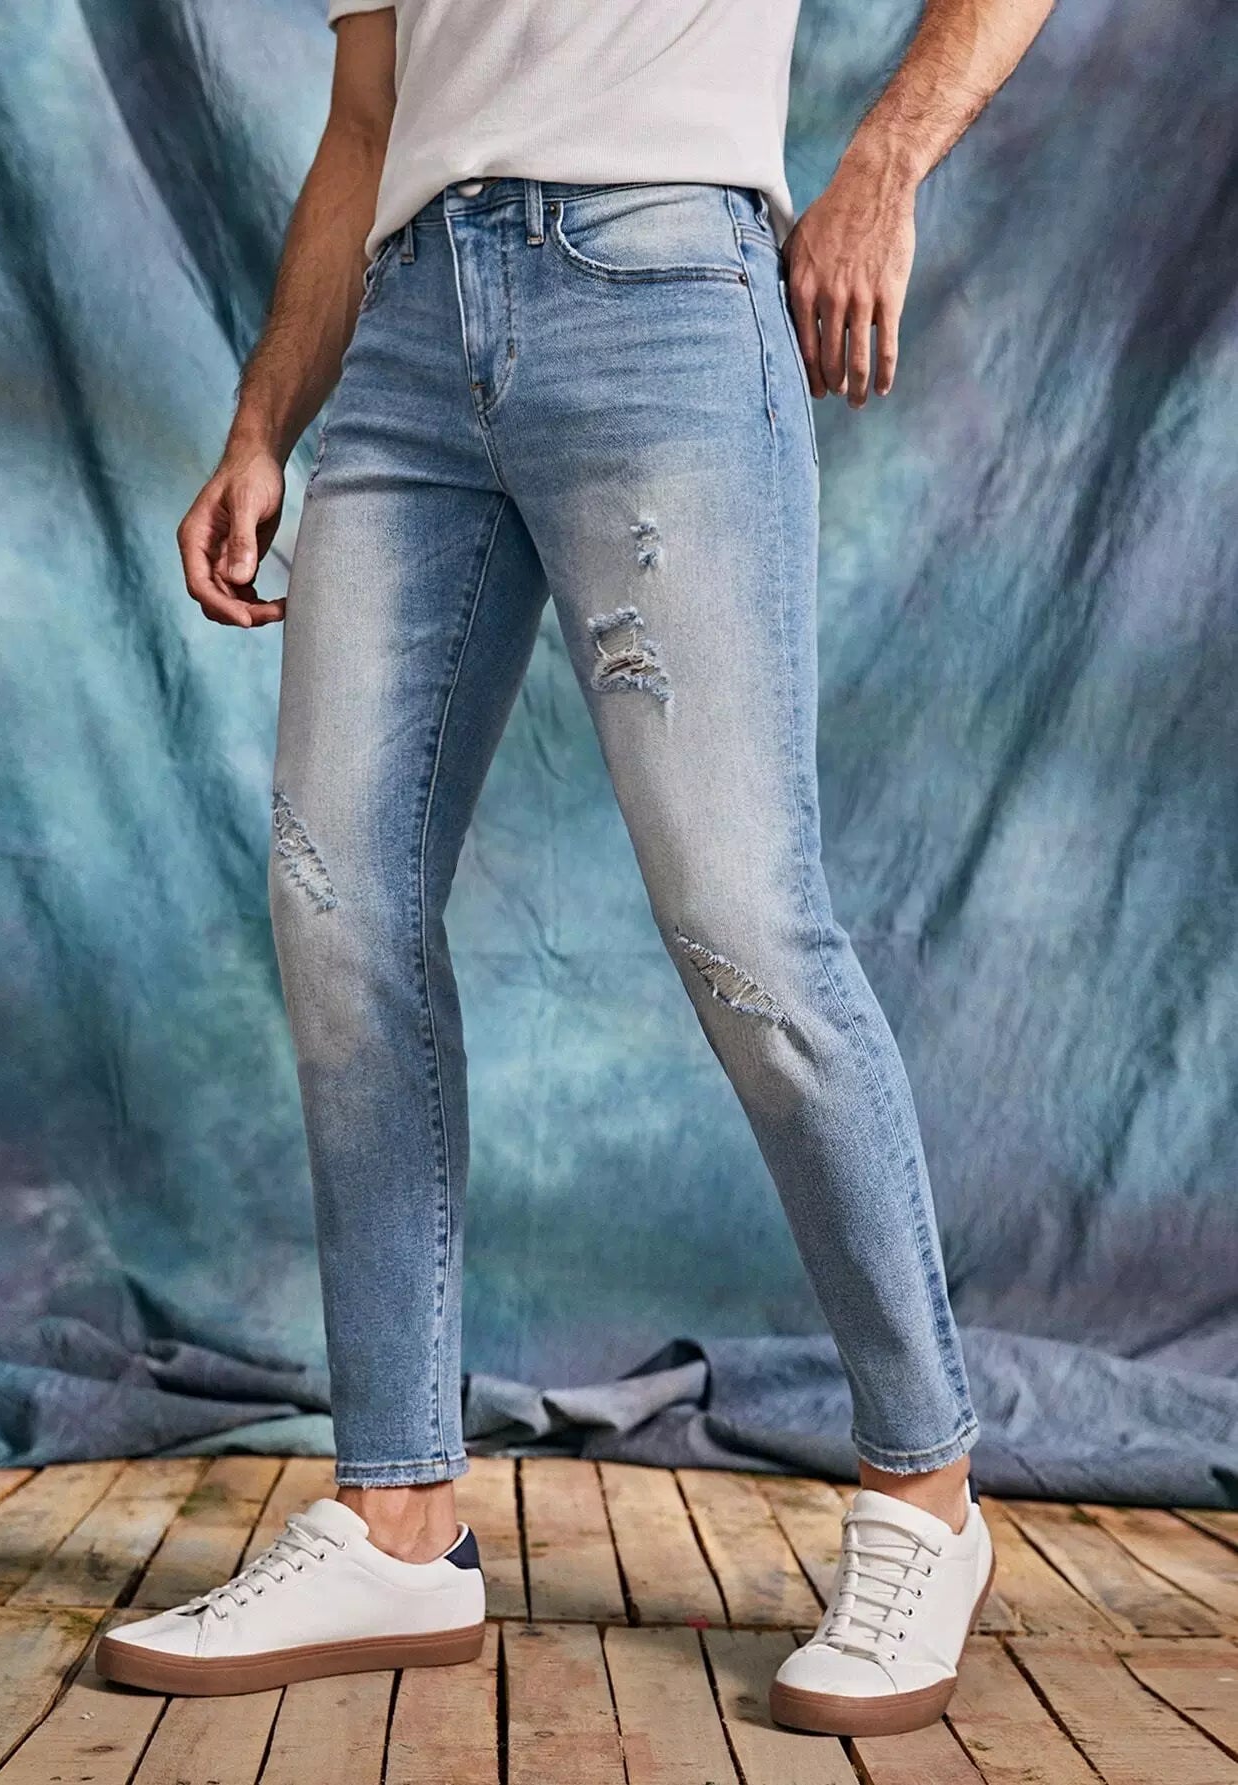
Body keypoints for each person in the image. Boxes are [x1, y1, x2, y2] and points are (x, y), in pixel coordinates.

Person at [98, 0, 1055, 1736]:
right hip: (409, 333)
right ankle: (398, 1517)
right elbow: (367, 118)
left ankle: (926, 1495)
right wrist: (261, 421)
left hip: (665, 293)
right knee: (338, 907)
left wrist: (885, 163)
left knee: (746, 922)